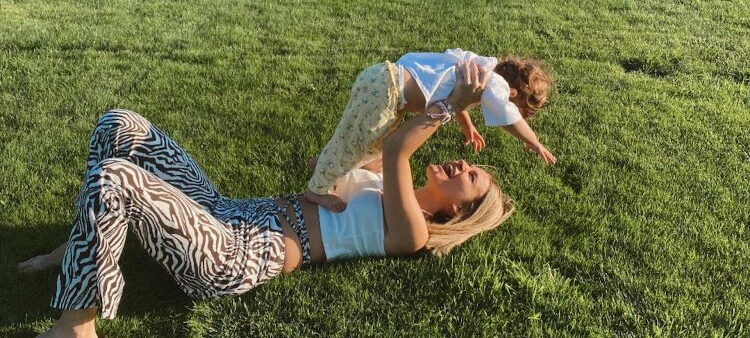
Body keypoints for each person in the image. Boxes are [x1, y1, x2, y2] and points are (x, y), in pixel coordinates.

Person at [17, 61, 515, 338]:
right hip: (227, 211)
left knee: (114, 177)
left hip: (235, 256)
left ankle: (77, 329)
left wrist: (455, 105)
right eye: (470, 165)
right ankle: (81, 248)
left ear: (457, 209)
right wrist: (430, 88)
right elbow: (358, 146)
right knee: (119, 125)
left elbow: (397, 149)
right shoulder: (381, 180)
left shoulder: (413, 232)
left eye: (469, 178)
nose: (461, 166)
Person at [305, 48, 555, 212]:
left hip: (384, 80)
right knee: (358, 142)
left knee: (370, 141)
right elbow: (509, 118)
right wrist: (534, 142)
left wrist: (467, 126)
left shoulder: (479, 68)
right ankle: (318, 189)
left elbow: (457, 99)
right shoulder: (496, 85)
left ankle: (329, 165)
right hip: (388, 93)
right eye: (519, 108)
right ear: (513, 94)